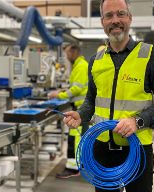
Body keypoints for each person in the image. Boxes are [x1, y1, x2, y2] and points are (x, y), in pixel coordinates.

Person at [63, 0, 154, 191]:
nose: (115, 20)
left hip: (137, 149)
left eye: (121, 14)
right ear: (102, 22)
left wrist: (137, 121)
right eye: (109, 15)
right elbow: (91, 100)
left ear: (130, 18)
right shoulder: (96, 61)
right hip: (102, 148)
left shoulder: (150, 55)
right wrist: (81, 115)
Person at [48, 44, 89, 179]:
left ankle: (73, 168)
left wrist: (59, 95)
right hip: (79, 108)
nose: (66, 56)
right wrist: (63, 91)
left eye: (67, 54)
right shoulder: (79, 65)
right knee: (76, 138)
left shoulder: (81, 66)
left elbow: (76, 89)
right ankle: (77, 165)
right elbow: (75, 87)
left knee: (75, 139)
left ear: (74, 51)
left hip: (81, 109)